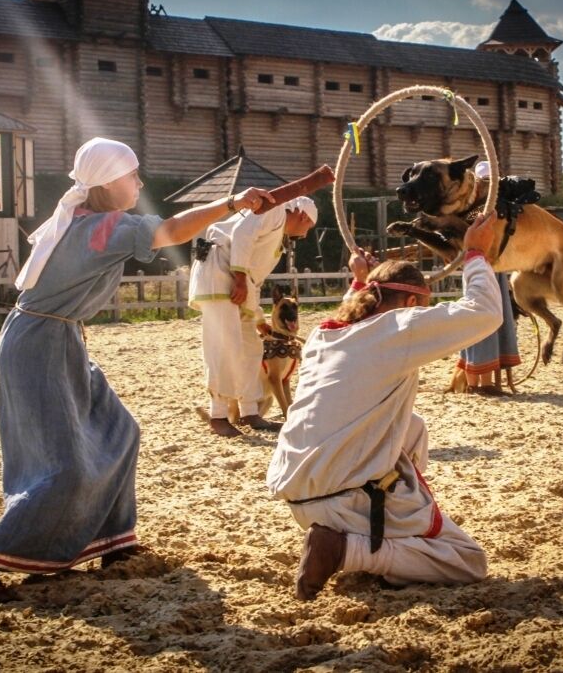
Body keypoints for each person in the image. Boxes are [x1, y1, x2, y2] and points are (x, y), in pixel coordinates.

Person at [0, 137, 276, 603]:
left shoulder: (89, 221)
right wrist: (231, 201)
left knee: (119, 430)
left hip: (54, 338)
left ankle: (112, 542)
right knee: (63, 466)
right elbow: (172, 230)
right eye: (132, 176)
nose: (139, 183)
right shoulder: (104, 228)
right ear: (108, 183)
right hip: (39, 345)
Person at [266, 212, 503, 601]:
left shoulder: (324, 336)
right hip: (341, 500)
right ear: (410, 303)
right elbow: (485, 313)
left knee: (413, 427)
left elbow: (356, 306)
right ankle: (348, 549)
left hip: (300, 497)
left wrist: (359, 277)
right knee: (468, 560)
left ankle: (376, 528)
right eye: (420, 307)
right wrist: (475, 254)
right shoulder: (400, 326)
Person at [189, 196, 317, 437]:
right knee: (223, 348)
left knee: (251, 349)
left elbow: (254, 279)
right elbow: (241, 235)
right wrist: (238, 276)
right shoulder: (275, 210)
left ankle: (250, 411)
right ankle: (218, 416)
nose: (306, 233)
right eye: (308, 226)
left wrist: (258, 319)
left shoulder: (277, 233)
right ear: (303, 215)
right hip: (220, 279)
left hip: (237, 285)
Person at [455, 161, 520, 395]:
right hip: (479, 264)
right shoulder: (471, 211)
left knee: (495, 321)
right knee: (479, 320)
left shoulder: (498, 210)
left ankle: (485, 383)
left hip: (494, 267)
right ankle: (477, 384)